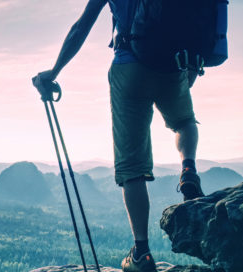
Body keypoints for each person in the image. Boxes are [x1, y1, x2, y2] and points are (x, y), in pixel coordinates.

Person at [33, 1, 206, 271]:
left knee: (131, 166)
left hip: (128, 68)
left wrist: (53, 72)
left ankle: (142, 253)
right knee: (184, 122)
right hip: (172, 66)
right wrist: (192, 64)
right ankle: (188, 169)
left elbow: (82, 26)